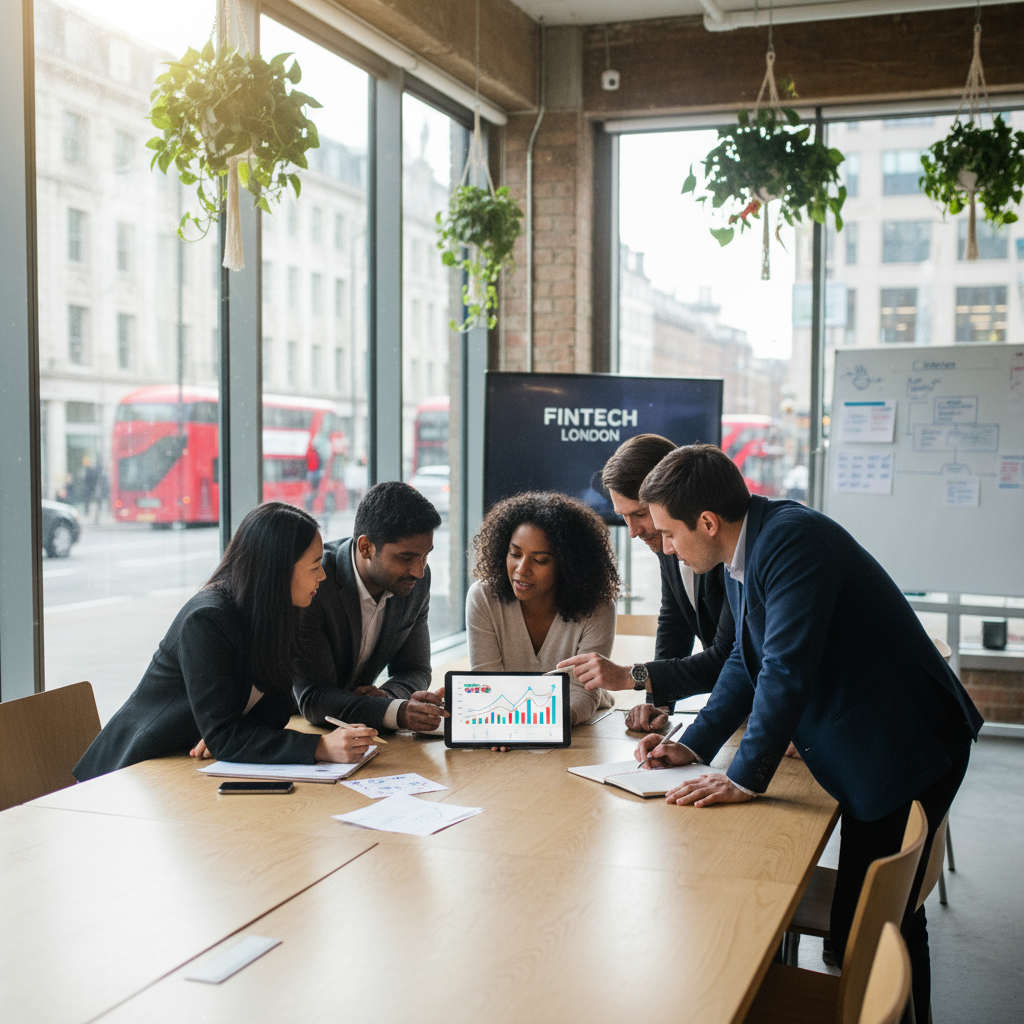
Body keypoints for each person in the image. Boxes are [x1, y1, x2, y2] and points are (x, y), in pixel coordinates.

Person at [632, 444, 982, 1023]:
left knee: (873, 931)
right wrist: (695, 744)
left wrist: (743, 777)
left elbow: (785, 668)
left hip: (907, 744)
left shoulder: (792, 542)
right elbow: (747, 661)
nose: (666, 548)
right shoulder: (749, 549)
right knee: (858, 930)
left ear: (708, 523)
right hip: (874, 738)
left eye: (668, 533)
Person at [73, 502, 376, 781]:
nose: (322, 576)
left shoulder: (279, 614)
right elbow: (226, 735)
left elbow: (273, 714)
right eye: (314, 565)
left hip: (189, 764)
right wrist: (319, 747)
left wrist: (230, 737)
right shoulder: (207, 620)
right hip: (135, 770)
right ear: (278, 570)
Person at [556, 434, 734, 732]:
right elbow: (675, 621)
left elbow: (728, 656)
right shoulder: (667, 542)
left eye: (640, 514)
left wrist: (633, 675)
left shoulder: (721, 548)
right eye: (624, 517)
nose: (633, 532)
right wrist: (658, 702)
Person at [294, 480, 448, 734]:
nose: (419, 571)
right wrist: (396, 712)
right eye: (406, 557)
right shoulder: (316, 584)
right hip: (297, 725)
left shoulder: (414, 582)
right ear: (366, 547)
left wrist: (387, 696)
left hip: (358, 730)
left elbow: (415, 668)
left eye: (425, 555)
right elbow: (313, 698)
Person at [466, 491, 620, 727]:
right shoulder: (483, 598)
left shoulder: (597, 607)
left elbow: (583, 693)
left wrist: (533, 723)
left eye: (540, 560)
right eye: (515, 554)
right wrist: (509, 722)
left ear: (568, 565)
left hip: (579, 723)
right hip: (511, 719)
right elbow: (488, 684)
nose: (521, 569)